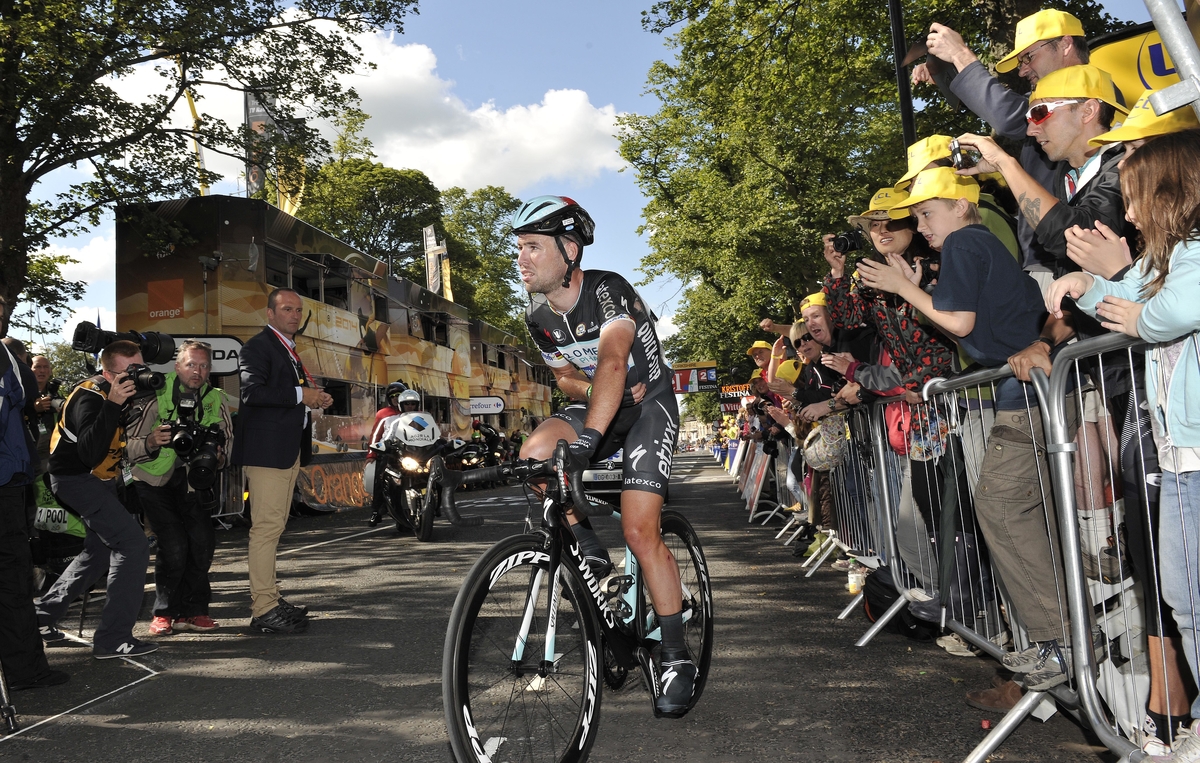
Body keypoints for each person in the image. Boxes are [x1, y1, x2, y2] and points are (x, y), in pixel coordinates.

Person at [860, 166, 1082, 691]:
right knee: (1032, 514)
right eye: (916, 215)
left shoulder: (963, 243)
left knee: (1001, 507)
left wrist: (899, 287)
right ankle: (1061, 641)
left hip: (1026, 394)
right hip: (1031, 391)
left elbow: (959, 324)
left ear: (961, 206)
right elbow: (965, 322)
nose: (921, 224)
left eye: (925, 213)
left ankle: (1059, 644)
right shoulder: (973, 243)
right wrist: (918, 292)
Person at [1047, 130, 1200, 758]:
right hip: (1181, 457)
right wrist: (1095, 288)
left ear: (1172, 193)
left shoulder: (1194, 254)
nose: (1129, 213)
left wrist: (1128, 296)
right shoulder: (1176, 259)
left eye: (1136, 199)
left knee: (1189, 598)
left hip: (1193, 458)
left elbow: (1166, 310)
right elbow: (1142, 303)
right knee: (1181, 599)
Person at [512, 195, 694, 718]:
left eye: (532, 247)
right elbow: (566, 375)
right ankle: (588, 546)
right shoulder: (538, 315)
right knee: (537, 454)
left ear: (569, 250)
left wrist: (590, 440)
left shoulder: (607, 289)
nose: (521, 259)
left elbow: (616, 358)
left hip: (647, 409)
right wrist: (589, 396)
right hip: (600, 404)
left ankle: (676, 656)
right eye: (519, 248)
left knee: (640, 532)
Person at [914, 9, 1091, 288]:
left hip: (1075, 259)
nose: (1022, 70)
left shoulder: (1094, 89)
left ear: (1066, 44)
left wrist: (961, 56)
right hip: (1049, 259)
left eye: (1029, 57)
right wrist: (946, 73)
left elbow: (1009, 116)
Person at [36, 340, 158, 659]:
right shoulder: (90, 396)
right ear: (107, 372)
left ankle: (40, 617)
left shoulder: (115, 392)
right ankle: (112, 638)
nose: (138, 375)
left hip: (97, 480)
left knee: (98, 552)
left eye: (141, 368)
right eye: (130, 371)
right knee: (132, 545)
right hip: (76, 479)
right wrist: (114, 404)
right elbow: (89, 453)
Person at [232, 288, 332, 635]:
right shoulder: (258, 346)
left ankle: (270, 598)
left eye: (298, 310)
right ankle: (264, 607)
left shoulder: (286, 349)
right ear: (270, 314)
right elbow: (251, 393)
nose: (294, 315)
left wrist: (312, 400)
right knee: (266, 530)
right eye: (287, 309)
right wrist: (302, 394)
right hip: (267, 453)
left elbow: (286, 398)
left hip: (283, 451)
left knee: (272, 528)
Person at [125, 340, 233, 637]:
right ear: (177, 366)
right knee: (173, 546)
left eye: (203, 366)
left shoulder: (216, 398)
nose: (196, 371)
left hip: (193, 479)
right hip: (152, 478)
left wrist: (217, 454)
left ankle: (195, 611)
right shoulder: (153, 391)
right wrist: (151, 441)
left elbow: (228, 443)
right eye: (190, 364)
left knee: (201, 545)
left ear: (210, 370)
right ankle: (164, 613)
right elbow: (128, 443)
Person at [0, 336, 68, 690]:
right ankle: (25, 671)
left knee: (15, 580)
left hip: (12, 479)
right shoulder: (7, 361)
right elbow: (23, 388)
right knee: (13, 580)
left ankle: (25, 669)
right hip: (5, 482)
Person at [365, 381, 409, 527]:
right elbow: (375, 435)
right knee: (380, 477)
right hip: (388, 451)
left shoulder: (414, 412)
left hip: (410, 452)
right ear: (389, 398)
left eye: (399, 395)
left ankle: (434, 503)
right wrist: (371, 455)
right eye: (393, 396)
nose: (396, 398)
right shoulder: (383, 413)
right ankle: (376, 512)